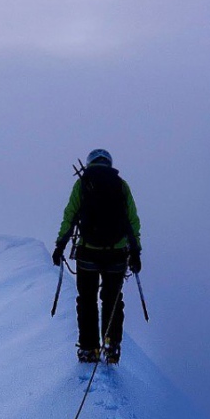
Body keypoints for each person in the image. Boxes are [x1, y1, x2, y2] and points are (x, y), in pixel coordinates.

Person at [52, 149, 142, 364]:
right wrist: (135, 251)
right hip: (117, 254)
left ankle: (88, 349)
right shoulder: (121, 185)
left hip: (87, 253)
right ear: (109, 164)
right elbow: (132, 220)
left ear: (90, 163)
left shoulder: (82, 183)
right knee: (112, 300)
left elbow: (70, 215)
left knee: (87, 301)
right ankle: (111, 345)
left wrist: (60, 245)